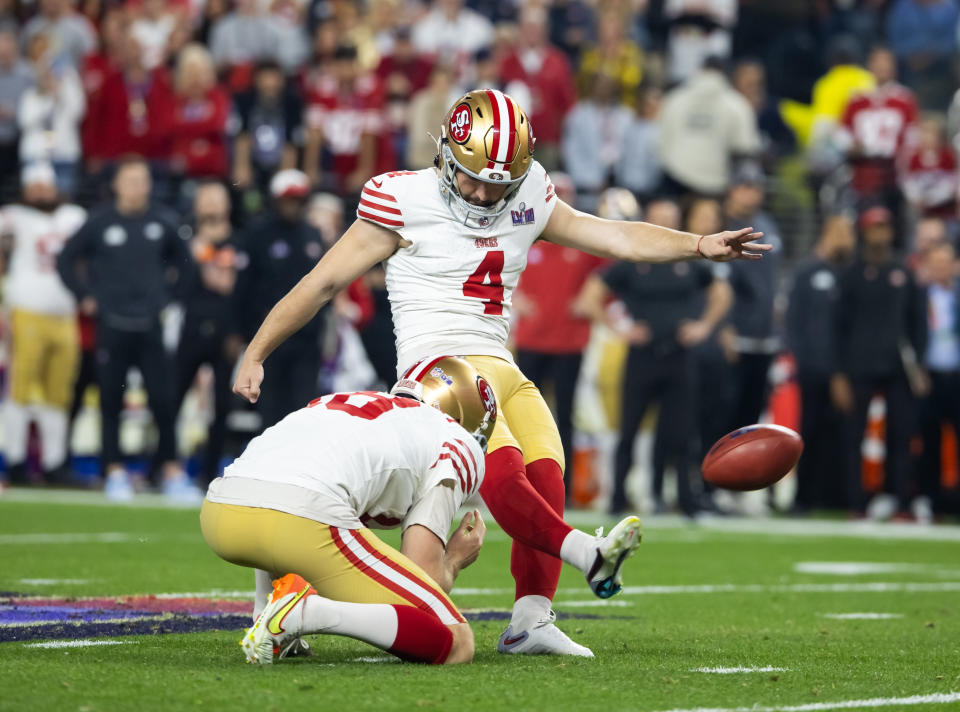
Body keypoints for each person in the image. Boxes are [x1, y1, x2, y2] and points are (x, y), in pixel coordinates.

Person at [232, 88, 769, 657]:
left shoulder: (531, 190)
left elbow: (613, 236)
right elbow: (322, 282)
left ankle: (530, 620)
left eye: (498, 183)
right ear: (444, 153)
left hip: (499, 360)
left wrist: (698, 244)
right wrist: (256, 350)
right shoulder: (401, 197)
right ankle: (589, 553)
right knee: (503, 470)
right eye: (472, 177)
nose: (485, 192)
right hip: (436, 366)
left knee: (547, 474)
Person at [207, 357, 639, 664]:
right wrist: (453, 559)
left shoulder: (340, 401)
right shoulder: (455, 439)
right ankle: (305, 614)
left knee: (305, 498)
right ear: (472, 419)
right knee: (456, 643)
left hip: (221, 513)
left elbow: (280, 475)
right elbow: (424, 576)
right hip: (296, 519)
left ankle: (268, 614)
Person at [577, 197, 733, 516]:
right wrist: (621, 328)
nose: (664, 225)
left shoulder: (690, 258)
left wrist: (704, 327)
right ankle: (618, 498)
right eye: (658, 218)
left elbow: (722, 293)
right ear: (647, 221)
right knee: (629, 430)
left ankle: (686, 501)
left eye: (670, 218)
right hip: (642, 355)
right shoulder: (633, 257)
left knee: (683, 431)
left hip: (680, 355)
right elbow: (590, 296)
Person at [56, 157, 196, 502]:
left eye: (142, 179)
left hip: (150, 324)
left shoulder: (163, 222)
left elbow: (187, 264)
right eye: (129, 179)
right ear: (116, 183)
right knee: (109, 400)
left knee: (163, 401)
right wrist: (84, 296)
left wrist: (168, 299)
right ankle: (113, 471)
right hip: (112, 324)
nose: (136, 186)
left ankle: (170, 470)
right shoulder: (100, 222)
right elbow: (65, 260)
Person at [832, 205, 927, 517]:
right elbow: (838, 326)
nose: (879, 234)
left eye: (884, 227)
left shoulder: (904, 271)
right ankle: (855, 503)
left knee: (900, 436)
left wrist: (920, 366)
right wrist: (839, 374)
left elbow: (917, 323)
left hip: (898, 367)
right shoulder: (851, 274)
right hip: (858, 366)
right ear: (865, 232)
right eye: (874, 228)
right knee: (853, 437)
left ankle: (899, 500)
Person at [512, 173, 603, 497]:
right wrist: (513, 297)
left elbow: (612, 274)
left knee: (564, 415)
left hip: (568, 342)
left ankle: (558, 486)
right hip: (532, 339)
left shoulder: (582, 241)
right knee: (522, 416)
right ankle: (520, 483)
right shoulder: (523, 236)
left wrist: (593, 296)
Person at [0, 162, 86, 486]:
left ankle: (53, 464)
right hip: (26, 311)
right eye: (34, 186)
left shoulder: (73, 217)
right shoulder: (13, 217)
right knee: (20, 389)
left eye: (44, 185)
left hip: (65, 314)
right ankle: (16, 461)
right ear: (25, 189)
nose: (40, 191)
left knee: (58, 391)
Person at [233, 169, 329, 430]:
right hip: (270, 338)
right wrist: (239, 332)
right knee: (270, 407)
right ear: (275, 200)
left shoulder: (313, 236)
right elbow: (243, 287)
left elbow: (326, 287)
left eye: (298, 200)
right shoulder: (257, 235)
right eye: (288, 200)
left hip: (307, 339)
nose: (293, 206)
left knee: (304, 407)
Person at [786, 215, 856, 513]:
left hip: (846, 369)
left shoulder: (851, 272)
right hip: (813, 367)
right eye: (839, 231)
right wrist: (801, 358)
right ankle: (803, 497)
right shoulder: (806, 271)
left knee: (843, 433)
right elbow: (794, 320)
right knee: (809, 431)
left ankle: (837, 496)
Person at [176, 182, 239, 486]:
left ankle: (208, 472)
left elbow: (227, 284)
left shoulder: (239, 240)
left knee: (222, 406)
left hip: (225, 332)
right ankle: (166, 465)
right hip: (189, 328)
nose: (212, 206)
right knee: (171, 399)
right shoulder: (182, 237)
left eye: (217, 199)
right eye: (206, 199)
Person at [723, 162, 781, 432]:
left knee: (752, 418)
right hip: (733, 336)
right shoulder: (721, 226)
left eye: (756, 188)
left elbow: (771, 281)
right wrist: (724, 327)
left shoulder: (767, 225)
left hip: (764, 336)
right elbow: (718, 284)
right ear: (732, 190)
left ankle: (741, 475)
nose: (751, 194)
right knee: (724, 413)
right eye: (745, 187)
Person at [657, 56, 760, 196]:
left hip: (674, 177)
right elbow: (745, 147)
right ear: (726, 73)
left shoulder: (674, 98)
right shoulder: (737, 104)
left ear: (700, 69)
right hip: (715, 183)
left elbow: (658, 140)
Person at [917, 241, 960, 523]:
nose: (941, 267)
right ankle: (931, 502)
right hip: (929, 377)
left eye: (945, 261)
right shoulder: (919, 296)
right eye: (936, 262)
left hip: (957, 376)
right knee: (929, 442)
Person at [231, 60, 302, 197]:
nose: (269, 83)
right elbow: (242, 136)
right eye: (265, 77)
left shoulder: (292, 103)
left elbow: (292, 143)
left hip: (280, 162)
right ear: (256, 80)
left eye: (274, 78)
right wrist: (242, 168)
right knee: (241, 185)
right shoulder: (245, 101)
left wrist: (284, 177)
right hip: (254, 163)